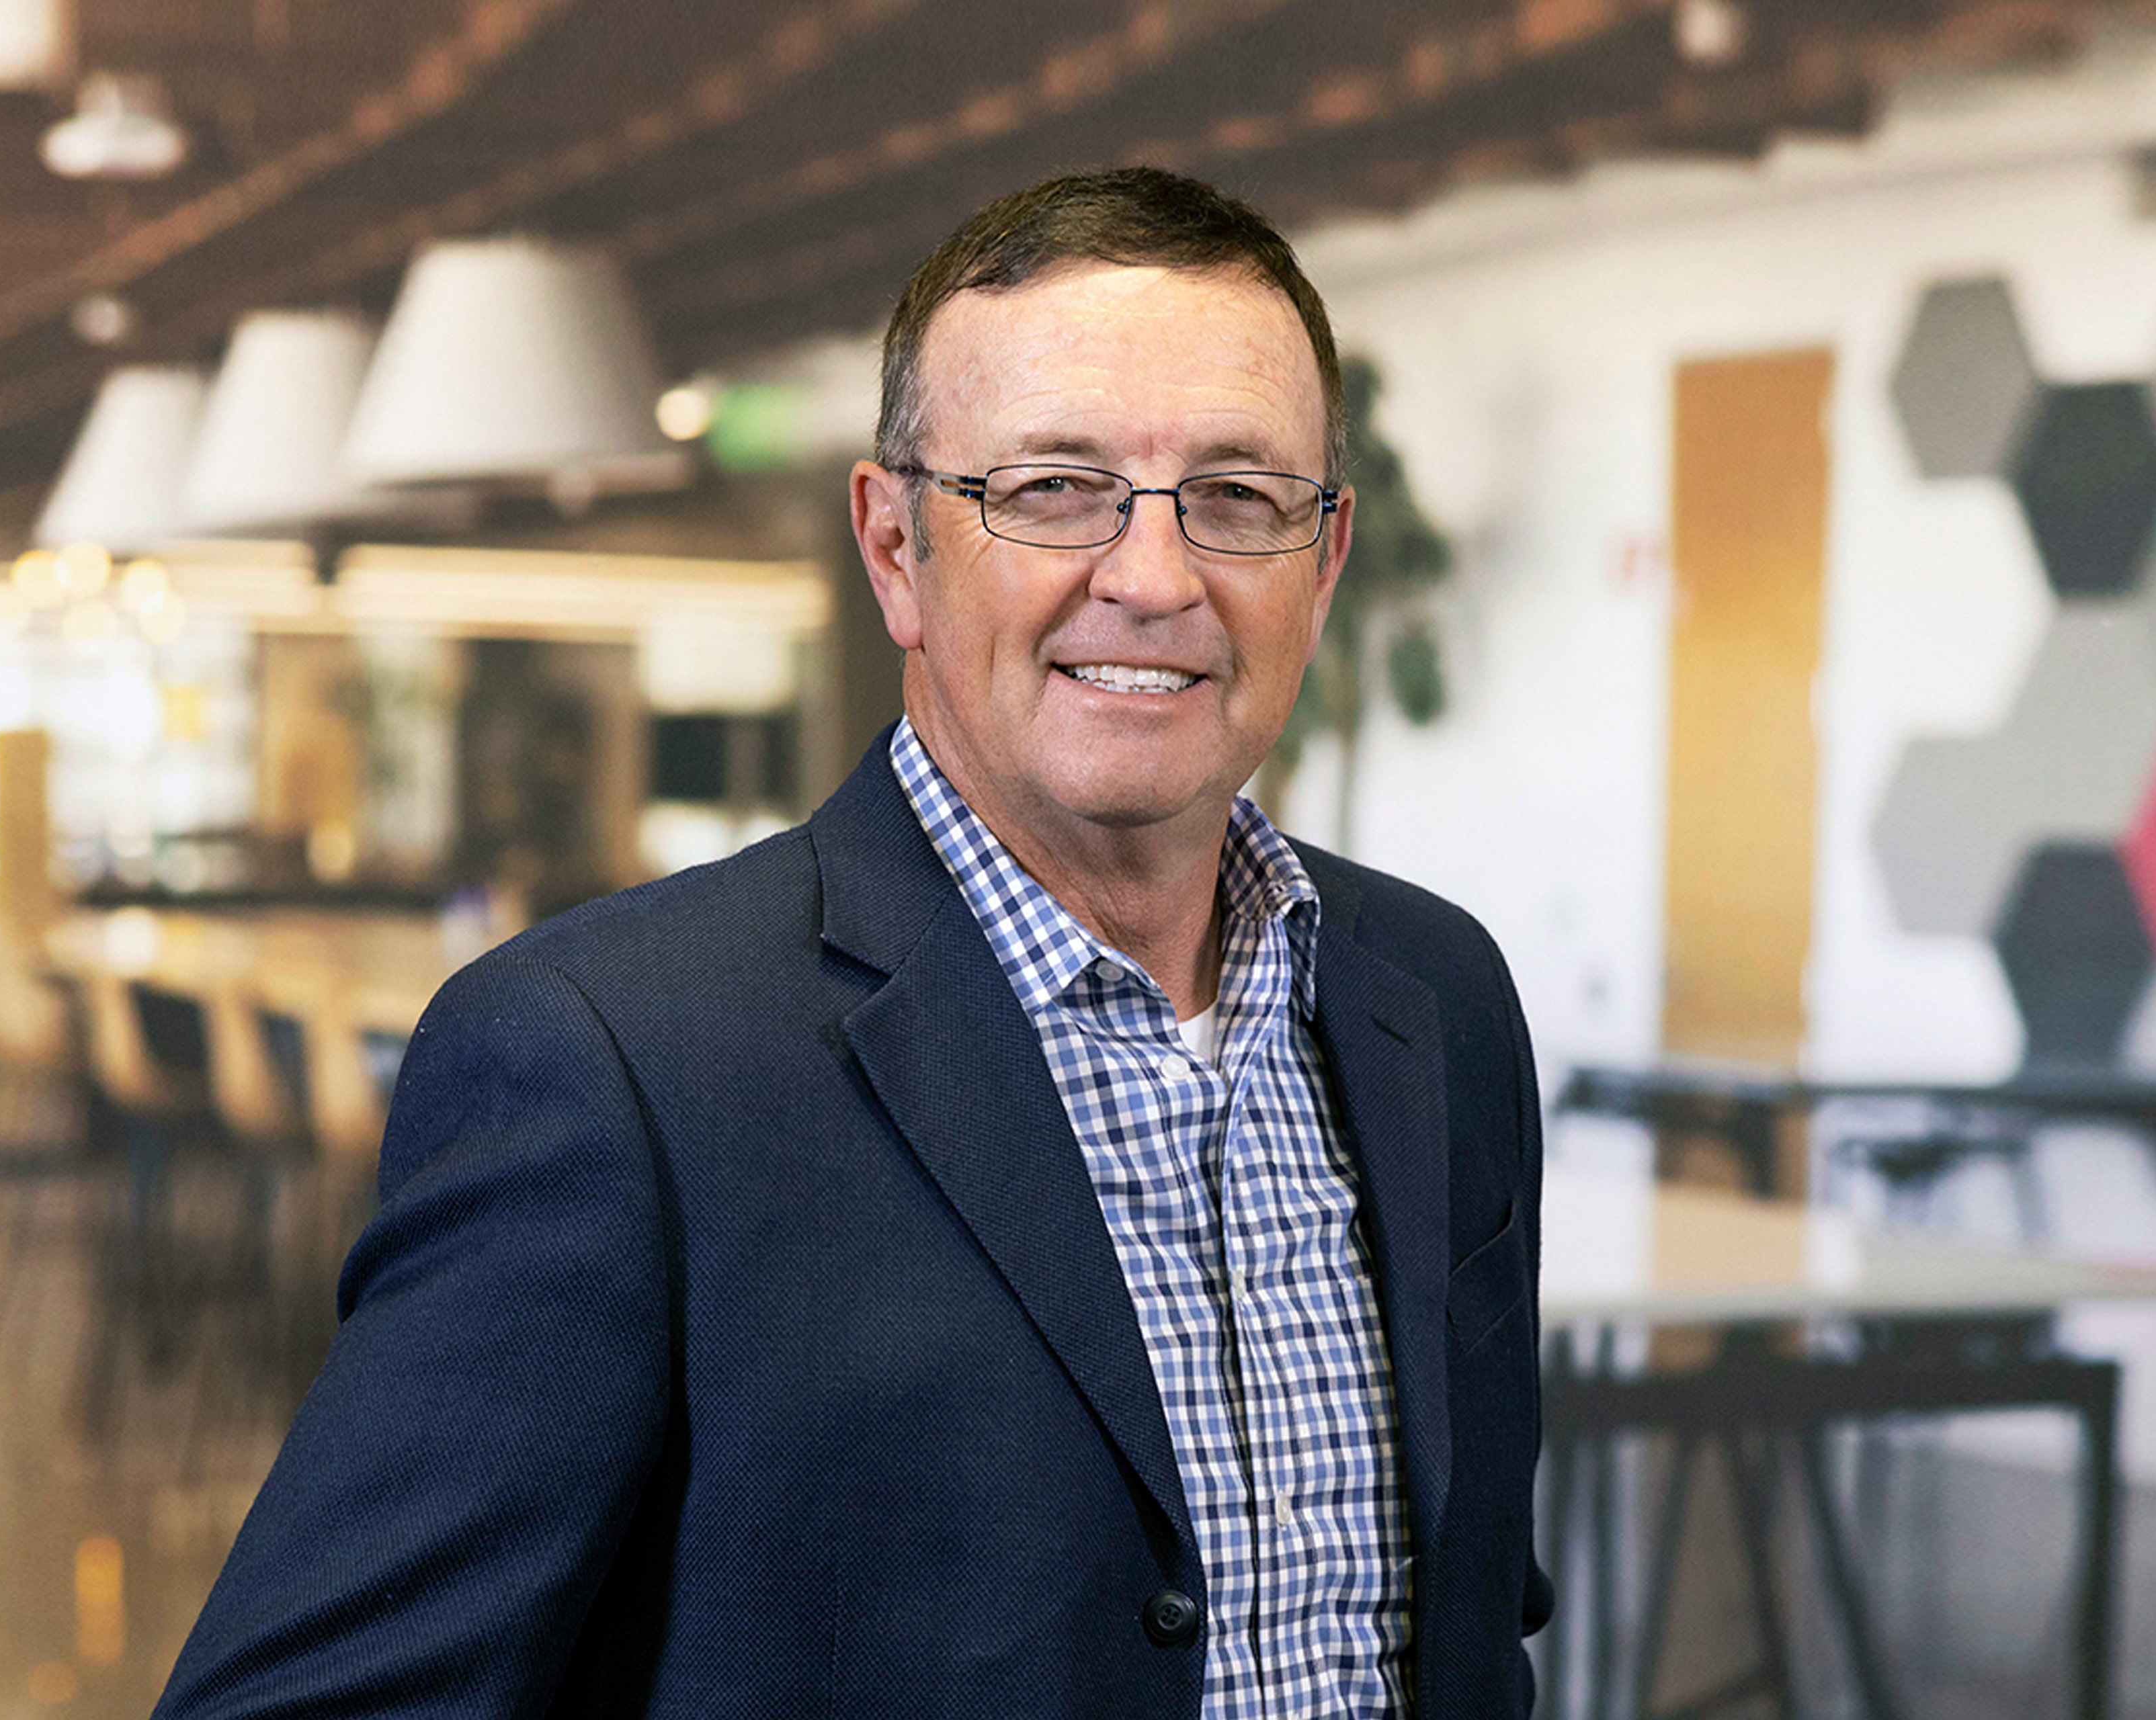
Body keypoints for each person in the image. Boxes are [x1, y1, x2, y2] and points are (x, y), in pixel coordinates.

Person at [153, 167, 1548, 1719]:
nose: (1156, 577)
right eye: (1053, 488)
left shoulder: (1435, 999)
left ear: (1325, 557)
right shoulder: (610, 1062)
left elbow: (1469, 1613)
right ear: (895, 548)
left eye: (1237, 496)